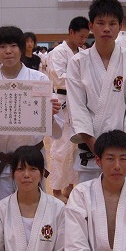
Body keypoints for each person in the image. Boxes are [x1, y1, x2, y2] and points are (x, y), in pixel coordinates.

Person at [0, 26, 62, 213]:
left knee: (34, 213)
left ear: (21, 48)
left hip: (31, 164)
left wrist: (51, 114)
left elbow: (56, 131)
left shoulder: (39, 80)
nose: (8, 51)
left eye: (13, 46)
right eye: (2, 46)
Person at [66, 0, 126, 183]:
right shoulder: (77, 62)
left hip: (123, 153)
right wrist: (98, 151)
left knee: (125, 199)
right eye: (100, 23)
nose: (106, 28)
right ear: (91, 26)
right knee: (89, 199)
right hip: (91, 151)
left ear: (120, 26)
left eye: (112, 23)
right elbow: (77, 107)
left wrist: (121, 151)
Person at [45, 16, 89, 200]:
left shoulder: (82, 52)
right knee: (61, 148)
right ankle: (56, 190)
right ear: (71, 32)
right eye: (81, 36)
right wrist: (82, 80)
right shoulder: (58, 52)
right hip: (62, 100)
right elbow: (58, 77)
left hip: (78, 102)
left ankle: (70, 188)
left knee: (75, 148)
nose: (83, 40)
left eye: (86, 37)